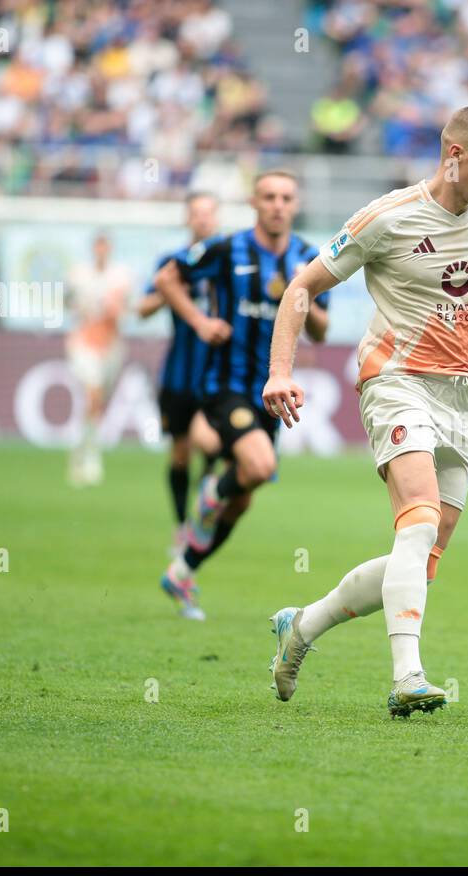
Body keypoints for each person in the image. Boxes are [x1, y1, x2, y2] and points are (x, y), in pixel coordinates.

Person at [261, 106, 468, 717]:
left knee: (421, 558)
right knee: (419, 517)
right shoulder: (387, 218)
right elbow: (301, 288)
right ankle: (408, 675)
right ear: (454, 155)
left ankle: (300, 628)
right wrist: (279, 371)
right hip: (395, 380)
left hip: (464, 394)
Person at [153, 171, 330, 620]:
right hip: (225, 385)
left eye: (286, 197)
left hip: (273, 393)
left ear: (296, 203)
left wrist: (301, 292)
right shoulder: (226, 248)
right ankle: (210, 489)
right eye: (268, 196)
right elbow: (167, 279)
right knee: (260, 466)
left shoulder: (308, 257)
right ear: (254, 202)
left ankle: (183, 570)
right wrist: (198, 322)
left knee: (245, 496)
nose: (277, 205)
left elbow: (322, 331)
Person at [138, 191, 221, 554]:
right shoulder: (171, 262)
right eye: (196, 214)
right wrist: (172, 293)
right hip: (179, 372)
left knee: (211, 443)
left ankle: (201, 516)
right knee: (181, 452)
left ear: (216, 219)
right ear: (187, 219)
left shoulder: (227, 259)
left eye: (208, 213)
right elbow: (142, 307)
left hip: (216, 371)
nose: (202, 219)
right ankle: (182, 526)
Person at [65, 233, 132, 488]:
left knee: (98, 402)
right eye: (98, 246)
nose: (102, 251)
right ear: (94, 248)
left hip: (111, 346)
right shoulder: (80, 274)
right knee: (92, 395)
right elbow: (68, 301)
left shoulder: (120, 274)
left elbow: (121, 307)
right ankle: (92, 456)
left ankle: (80, 447)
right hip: (84, 344)